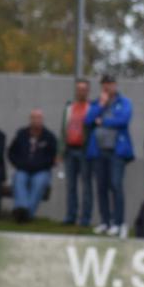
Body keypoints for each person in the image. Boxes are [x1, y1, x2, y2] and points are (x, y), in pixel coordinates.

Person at [85, 74, 134, 237]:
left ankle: (118, 222)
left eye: (110, 84)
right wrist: (101, 105)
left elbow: (123, 120)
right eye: (104, 84)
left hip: (116, 152)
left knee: (116, 185)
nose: (107, 87)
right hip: (99, 151)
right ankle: (105, 222)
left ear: (115, 85)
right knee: (101, 187)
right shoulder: (97, 102)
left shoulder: (124, 102)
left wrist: (103, 121)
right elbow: (88, 120)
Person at [8, 108, 57, 223]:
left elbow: (53, 156)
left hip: (41, 170)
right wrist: (18, 164)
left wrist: (43, 165)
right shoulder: (21, 134)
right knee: (18, 178)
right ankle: (23, 209)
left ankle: (25, 213)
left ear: (42, 120)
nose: (36, 120)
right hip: (23, 169)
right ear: (30, 119)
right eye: (34, 118)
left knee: (39, 183)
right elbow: (11, 152)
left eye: (39, 118)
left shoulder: (49, 136)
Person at [59, 79, 93, 227]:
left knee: (86, 186)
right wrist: (60, 151)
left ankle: (85, 219)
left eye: (84, 89)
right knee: (70, 186)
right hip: (70, 150)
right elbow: (63, 130)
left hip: (84, 151)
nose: (81, 92)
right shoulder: (69, 108)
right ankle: (70, 216)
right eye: (79, 89)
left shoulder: (91, 108)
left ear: (88, 91)